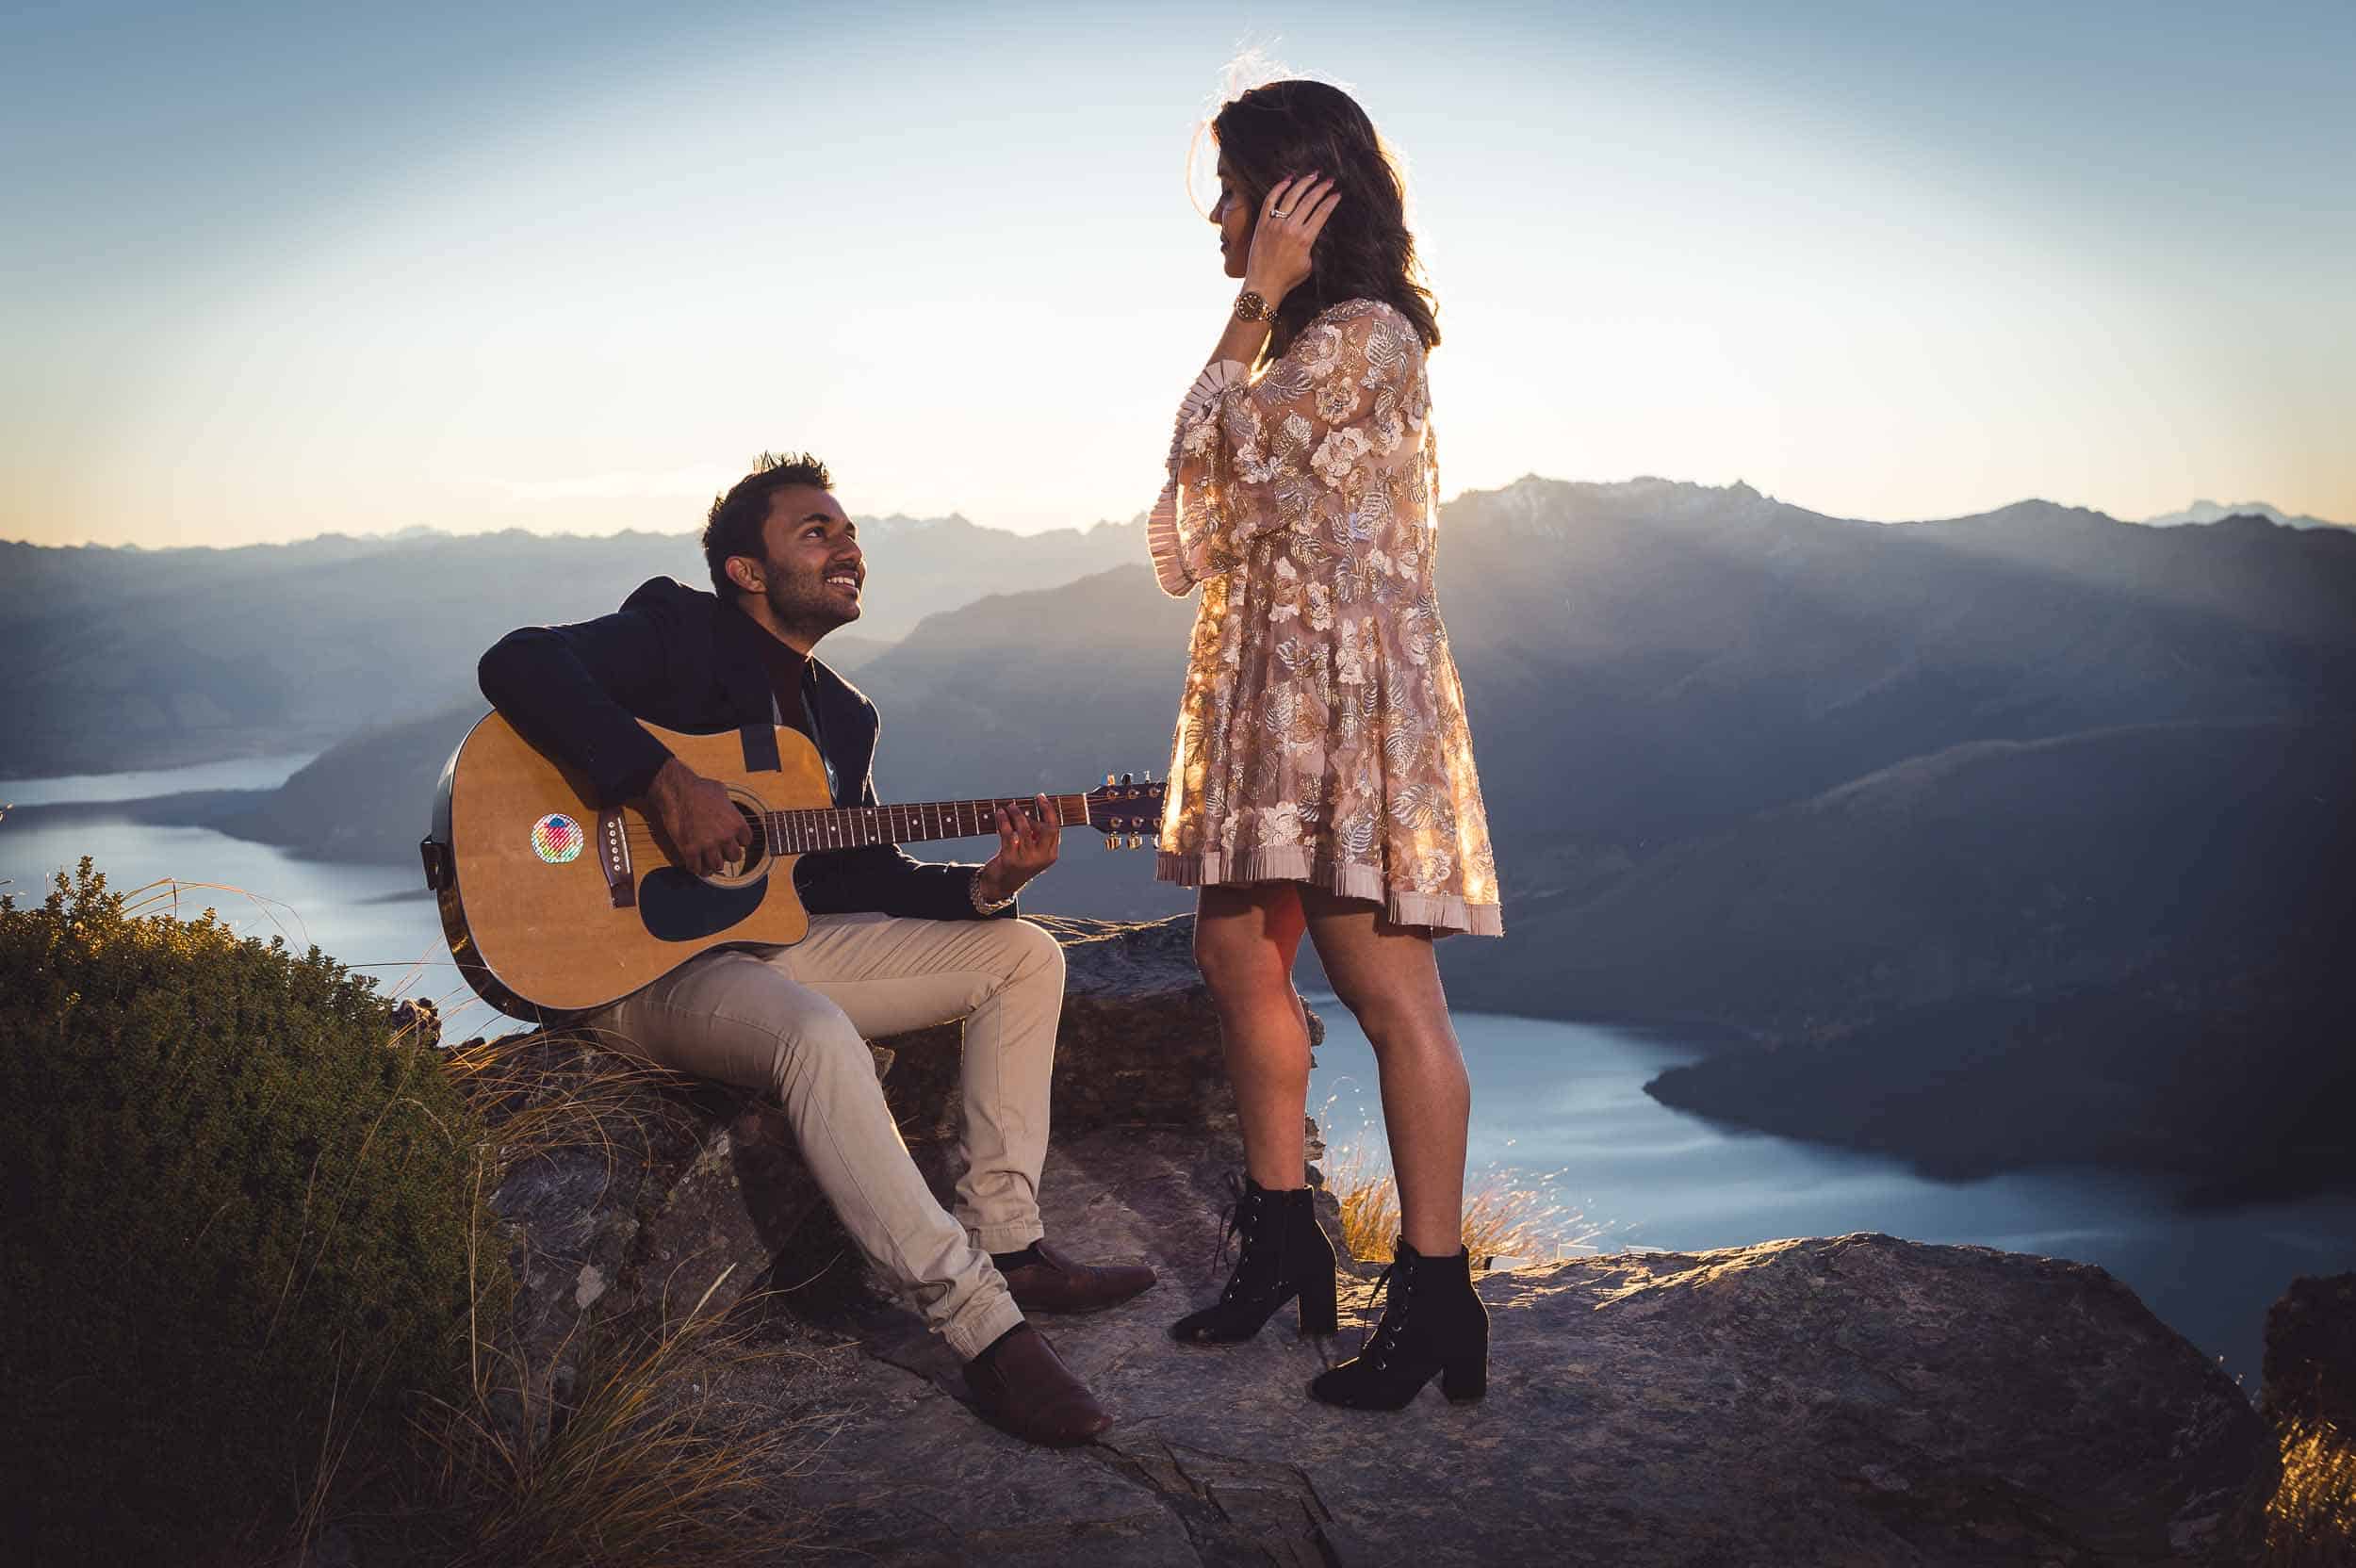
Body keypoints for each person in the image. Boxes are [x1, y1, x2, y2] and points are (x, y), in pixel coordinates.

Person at [477, 451, 1153, 1447]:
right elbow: (518, 661)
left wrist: (994, 881)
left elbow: (863, 872)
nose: (847, 547)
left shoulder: (842, 716)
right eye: (815, 531)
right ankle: (978, 1323)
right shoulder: (678, 631)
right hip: (633, 962)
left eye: (848, 531)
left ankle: (1010, 1245)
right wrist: (665, 782)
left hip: (757, 946)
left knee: (1026, 953)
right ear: (746, 570)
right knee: (817, 1034)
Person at [1146, 79, 1504, 1411]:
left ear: (1300, 196)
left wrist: (1255, 299)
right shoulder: (1301, 341)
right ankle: (1288, 1236)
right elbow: (1197, 495)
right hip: (1267, 687)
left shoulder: (1362, 338)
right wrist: (1255, 312)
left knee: (1386, 994)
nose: (1222, 225)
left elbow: (1196, 444)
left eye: (1234, 197)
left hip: (1339, 700)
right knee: (1234, 949)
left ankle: (1434, 1297)